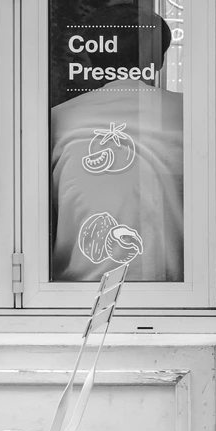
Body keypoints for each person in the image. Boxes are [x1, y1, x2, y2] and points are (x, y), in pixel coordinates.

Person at [50, 14, 183, 283]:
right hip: (181, 292)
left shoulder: (57, 119)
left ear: (92, 56)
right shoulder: (194, 114)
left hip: (69, 295)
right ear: (159, 61)